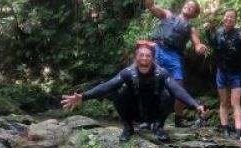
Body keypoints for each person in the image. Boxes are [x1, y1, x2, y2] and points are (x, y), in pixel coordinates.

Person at [61, 41, 207, 142]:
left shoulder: (161, 73)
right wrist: (83, 97)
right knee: (117, 91)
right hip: (135, 111)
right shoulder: (128, 72)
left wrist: (195, 105)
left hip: (154, 112)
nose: (144, 58)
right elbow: (107, 86)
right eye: (141, 55)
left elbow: (177, 90)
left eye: (148, 55)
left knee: (169, 94)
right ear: (136, 57)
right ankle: (128, 127)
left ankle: (159, 127)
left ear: (152, 58)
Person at [146, 0, 206, 127]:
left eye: (192, 7)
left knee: (178, 88)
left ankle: (179, 118)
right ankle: (149, 119)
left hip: (173, 56)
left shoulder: (191, 28)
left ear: (194, 14)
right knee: (152, 85)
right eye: (188, 4)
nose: (188, 7)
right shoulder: (167, 15)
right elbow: (150, 5)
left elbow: (197, 44)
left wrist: (200, 48)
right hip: (157, 50)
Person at [203, 8, 241, 140]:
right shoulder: (219, 33)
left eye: (232, 17)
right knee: (224, 102)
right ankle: (225, 128)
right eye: (227, 16)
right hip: (222, 72)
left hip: (237, 73)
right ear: (223, 18)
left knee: (235, 102)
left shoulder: (240, 35)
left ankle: (238, 130)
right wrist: (207, 31)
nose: (229, 19)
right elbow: (213, 45)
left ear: (235, 20)